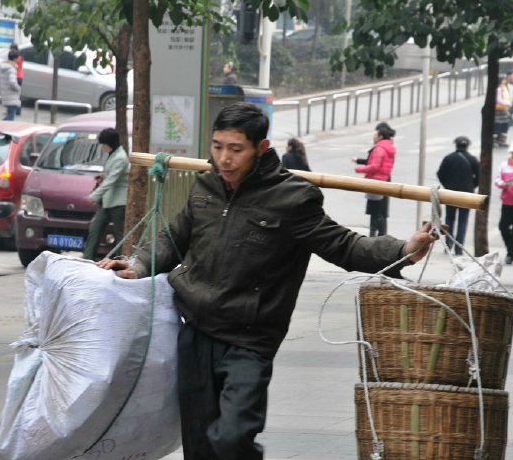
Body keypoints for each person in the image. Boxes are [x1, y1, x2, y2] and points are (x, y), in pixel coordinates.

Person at [97, 102, 441, 460]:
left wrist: (405, 250)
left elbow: (344, 245)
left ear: (261, 148)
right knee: (199, 449)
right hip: (195, 333)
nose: (224, 159)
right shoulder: (205, 186)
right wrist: (138, 264)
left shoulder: (292, 198)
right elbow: (175, 237)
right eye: (217, 147)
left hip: (249, 340)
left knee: (231, 439)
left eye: (235, 149)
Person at [83, 128, 129, 262]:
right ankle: (87, 260)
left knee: (120, 235)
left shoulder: (120, 158)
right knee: (94, 230)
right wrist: (103, 175)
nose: (103, 147)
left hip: (118, 202)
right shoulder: (114, 154)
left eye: (104, 144)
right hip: (107, 201)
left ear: (110, 143)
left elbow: (111, 180)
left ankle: (123, 261)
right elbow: (110, 175)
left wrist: (95, 196)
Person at [352, 122, 396, 237]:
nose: (373, 137)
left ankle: (380, 235)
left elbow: (374, 166)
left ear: (381, 136)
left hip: (376, 181)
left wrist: (359, 168)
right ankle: (379, 234)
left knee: (376, 212)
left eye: (375, 135)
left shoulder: (380, 149)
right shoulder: (389, 147)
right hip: (384, 179)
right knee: (379, 212)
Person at [436, 136, 479, 253]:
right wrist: (471, 186)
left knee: (449, 219)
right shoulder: (472, 159)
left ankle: (448, 244)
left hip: (450, 193)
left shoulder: (449, 158)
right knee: (463, 220)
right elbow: (479, 177)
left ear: (456, 145)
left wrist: (447, 185)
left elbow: (440, 174)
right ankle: (459, 247)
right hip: (467, 195)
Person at [0, 54, 21, 121]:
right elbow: (12, 81)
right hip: (12, 96)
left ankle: (1, 125)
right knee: (10, 117)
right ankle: (1, 126)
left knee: (9, 115)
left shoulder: (2, 68)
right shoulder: (12, 69)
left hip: (5, 94)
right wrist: (18, 88)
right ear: (15, 59)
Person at [494, 75, 513, 148]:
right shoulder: (499, 89)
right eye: (503, 80)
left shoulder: (504, 88)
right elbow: (498, 100)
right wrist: (507, 103)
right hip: (500, 109)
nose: (505, 81)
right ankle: (496, 141)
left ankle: (502, 141)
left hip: (504, 108)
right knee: (498, 125)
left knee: (505, 124)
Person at [12, 43, 24, 115]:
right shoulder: (20, 57)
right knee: (17, 94)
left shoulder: (17, 58)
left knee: (15, 95)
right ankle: (17, 110)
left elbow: (14, 65)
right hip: (20, 76)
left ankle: (16, 110)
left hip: (17, 76)